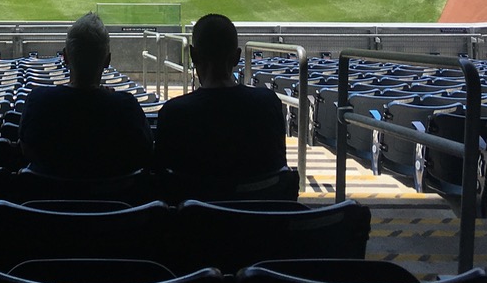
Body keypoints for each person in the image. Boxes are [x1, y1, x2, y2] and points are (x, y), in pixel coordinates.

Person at [153, 13, 286, 191]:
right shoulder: (269, 104)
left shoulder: (173, 113)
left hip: (195, 218)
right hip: (258, 217)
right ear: (238, 56)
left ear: (193, 54)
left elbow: (160, 181)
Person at [19, 12, 152, 178]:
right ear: (107, 61)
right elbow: (145, 153)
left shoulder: (37, 101)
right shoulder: (127, 107)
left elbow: (27, 151)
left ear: (65, 57)